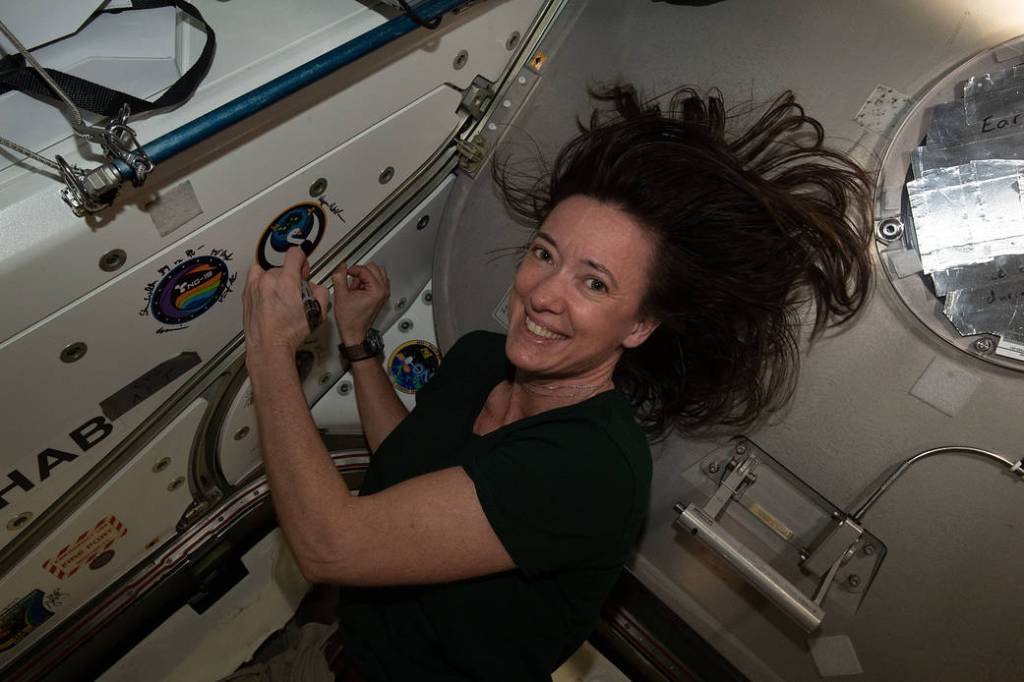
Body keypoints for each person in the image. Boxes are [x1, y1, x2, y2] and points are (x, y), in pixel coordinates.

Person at [232, 83, 874, 681]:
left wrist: (268, 347)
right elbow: (406, 460)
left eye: (594, 283)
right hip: (324, 652)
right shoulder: (482, 357)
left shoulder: (590, 467)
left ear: (640, 324)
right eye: (545, 255)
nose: (542, 295)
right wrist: (357, 343)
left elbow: (329, 546)